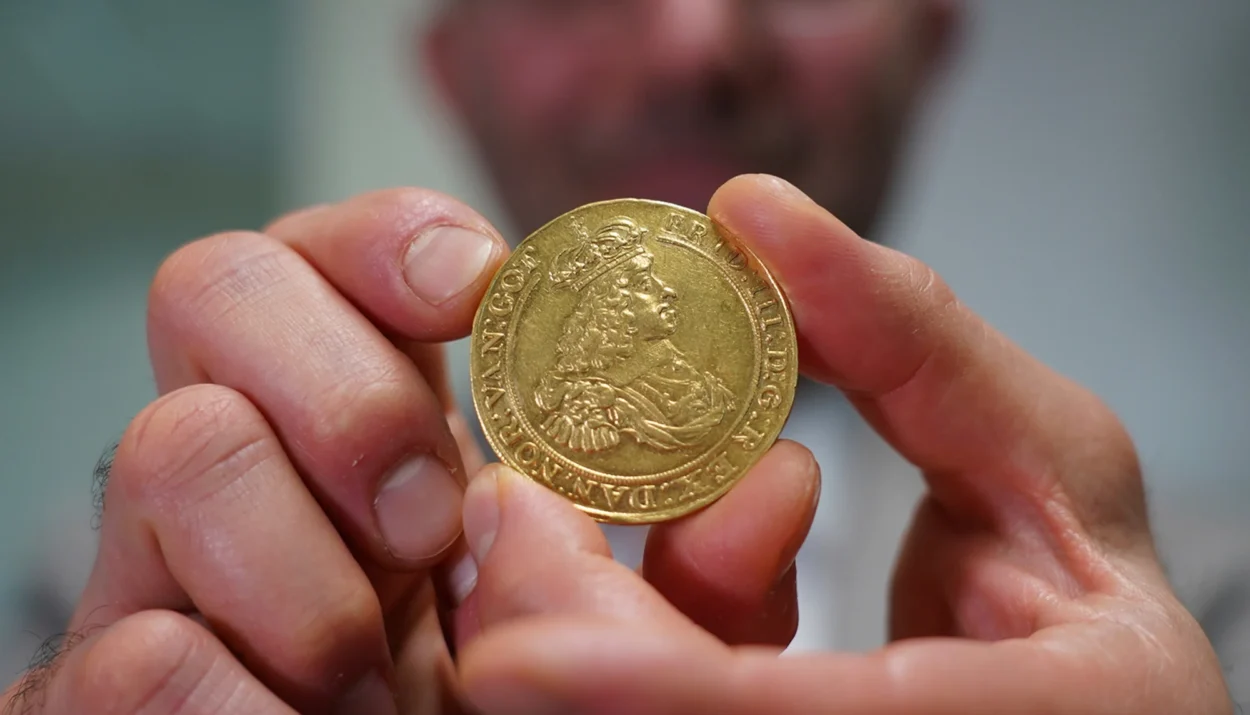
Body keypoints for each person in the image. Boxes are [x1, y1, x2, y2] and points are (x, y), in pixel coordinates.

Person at [3, 0, 1246, 713]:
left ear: (932, 31)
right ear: (452, 63)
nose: (696, 37)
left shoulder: (1205, 614)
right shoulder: (151, 580)